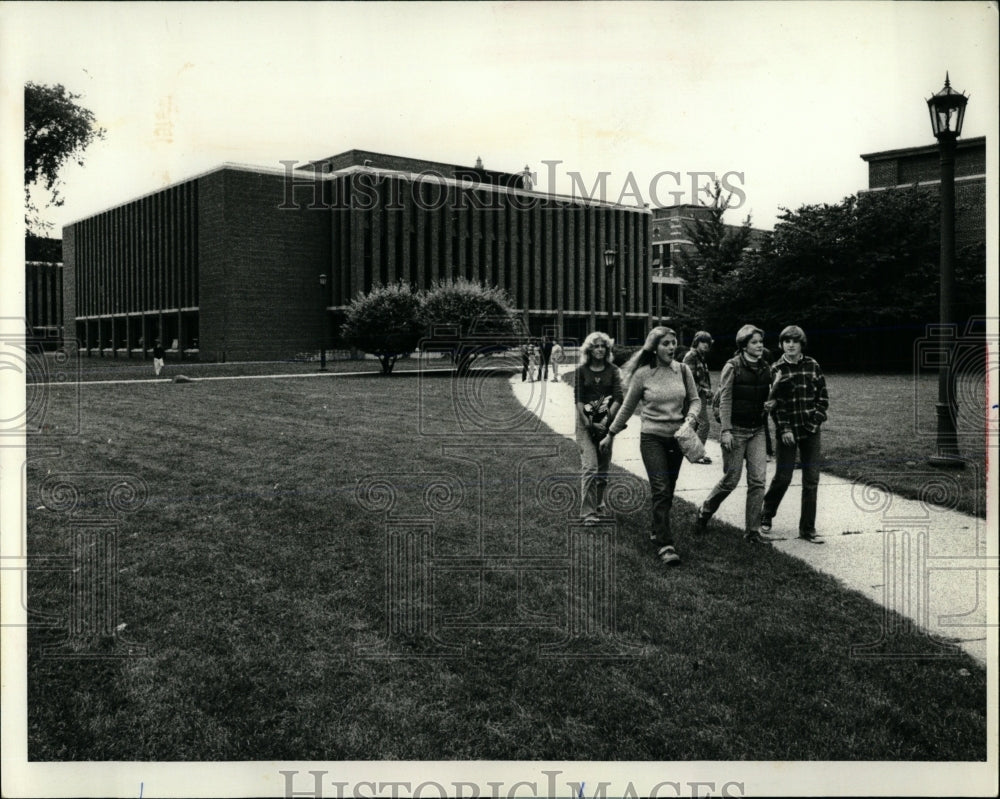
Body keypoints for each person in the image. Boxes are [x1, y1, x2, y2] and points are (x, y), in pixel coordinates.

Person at [601, 326, 700, 566]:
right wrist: (611, 433)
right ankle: (665, 545)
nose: (672, 347)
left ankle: (657, 529)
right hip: (652, 438)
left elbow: (695, 400)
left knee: (668, 489)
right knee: (661, 488)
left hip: (677, 437)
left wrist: (691, 417)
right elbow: (627, 407)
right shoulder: (643, 374)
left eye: (674, 342)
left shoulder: (683, 370)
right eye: (666, 343)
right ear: (654, 347)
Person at [694, 324, 773, 545]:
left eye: (761, 342)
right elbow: (726, 399)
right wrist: (725, 430)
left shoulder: (766, 367)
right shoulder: (733, 366)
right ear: (744, 345)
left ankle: (752, 532)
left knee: (758, 481)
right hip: (735, 431)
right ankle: (705, 511)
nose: (760, 346)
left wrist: (770, 403)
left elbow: (770, 394)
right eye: (755, 342)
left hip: (757, 430)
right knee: (731, 479)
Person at [761, 325, 829, 543]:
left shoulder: (813, 366)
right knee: (783, 476)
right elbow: (775, 404)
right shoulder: (776, 369)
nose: (790, 345)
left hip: (811, 430)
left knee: (811, 480)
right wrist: (785, 429)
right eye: (786, 341)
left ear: (802, 344)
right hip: (788, 431)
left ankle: (808, 529)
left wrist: (814, 422)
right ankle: (766, 513)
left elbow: (823, 399)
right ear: (781, 344)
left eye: (795, 341)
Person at [574, 332, 623, 525]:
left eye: (603, 346)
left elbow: (619, 397)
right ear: (589, 350)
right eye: (596, 346)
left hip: (606, 424)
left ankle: (598, 502)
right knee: (591, 467)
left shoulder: (613, 370)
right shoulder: (581, 371)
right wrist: (588, 422)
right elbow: (577, 399)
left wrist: (606, 422)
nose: (600, 349)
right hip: (585, 424)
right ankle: (588, 513)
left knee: (602, 470)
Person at [682, 331, 715, 464]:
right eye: (703, 342)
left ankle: (691, 452)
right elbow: (687, 380)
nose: (706, 345)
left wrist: (707, 391)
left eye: (708, 342)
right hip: (694, 395)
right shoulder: (691, 356)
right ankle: (697, 455)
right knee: (704, 424)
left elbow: (702, 377)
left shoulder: (700, 356)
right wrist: (704, 390)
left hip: (700, 394)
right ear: (696, 342)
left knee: (694, 424)